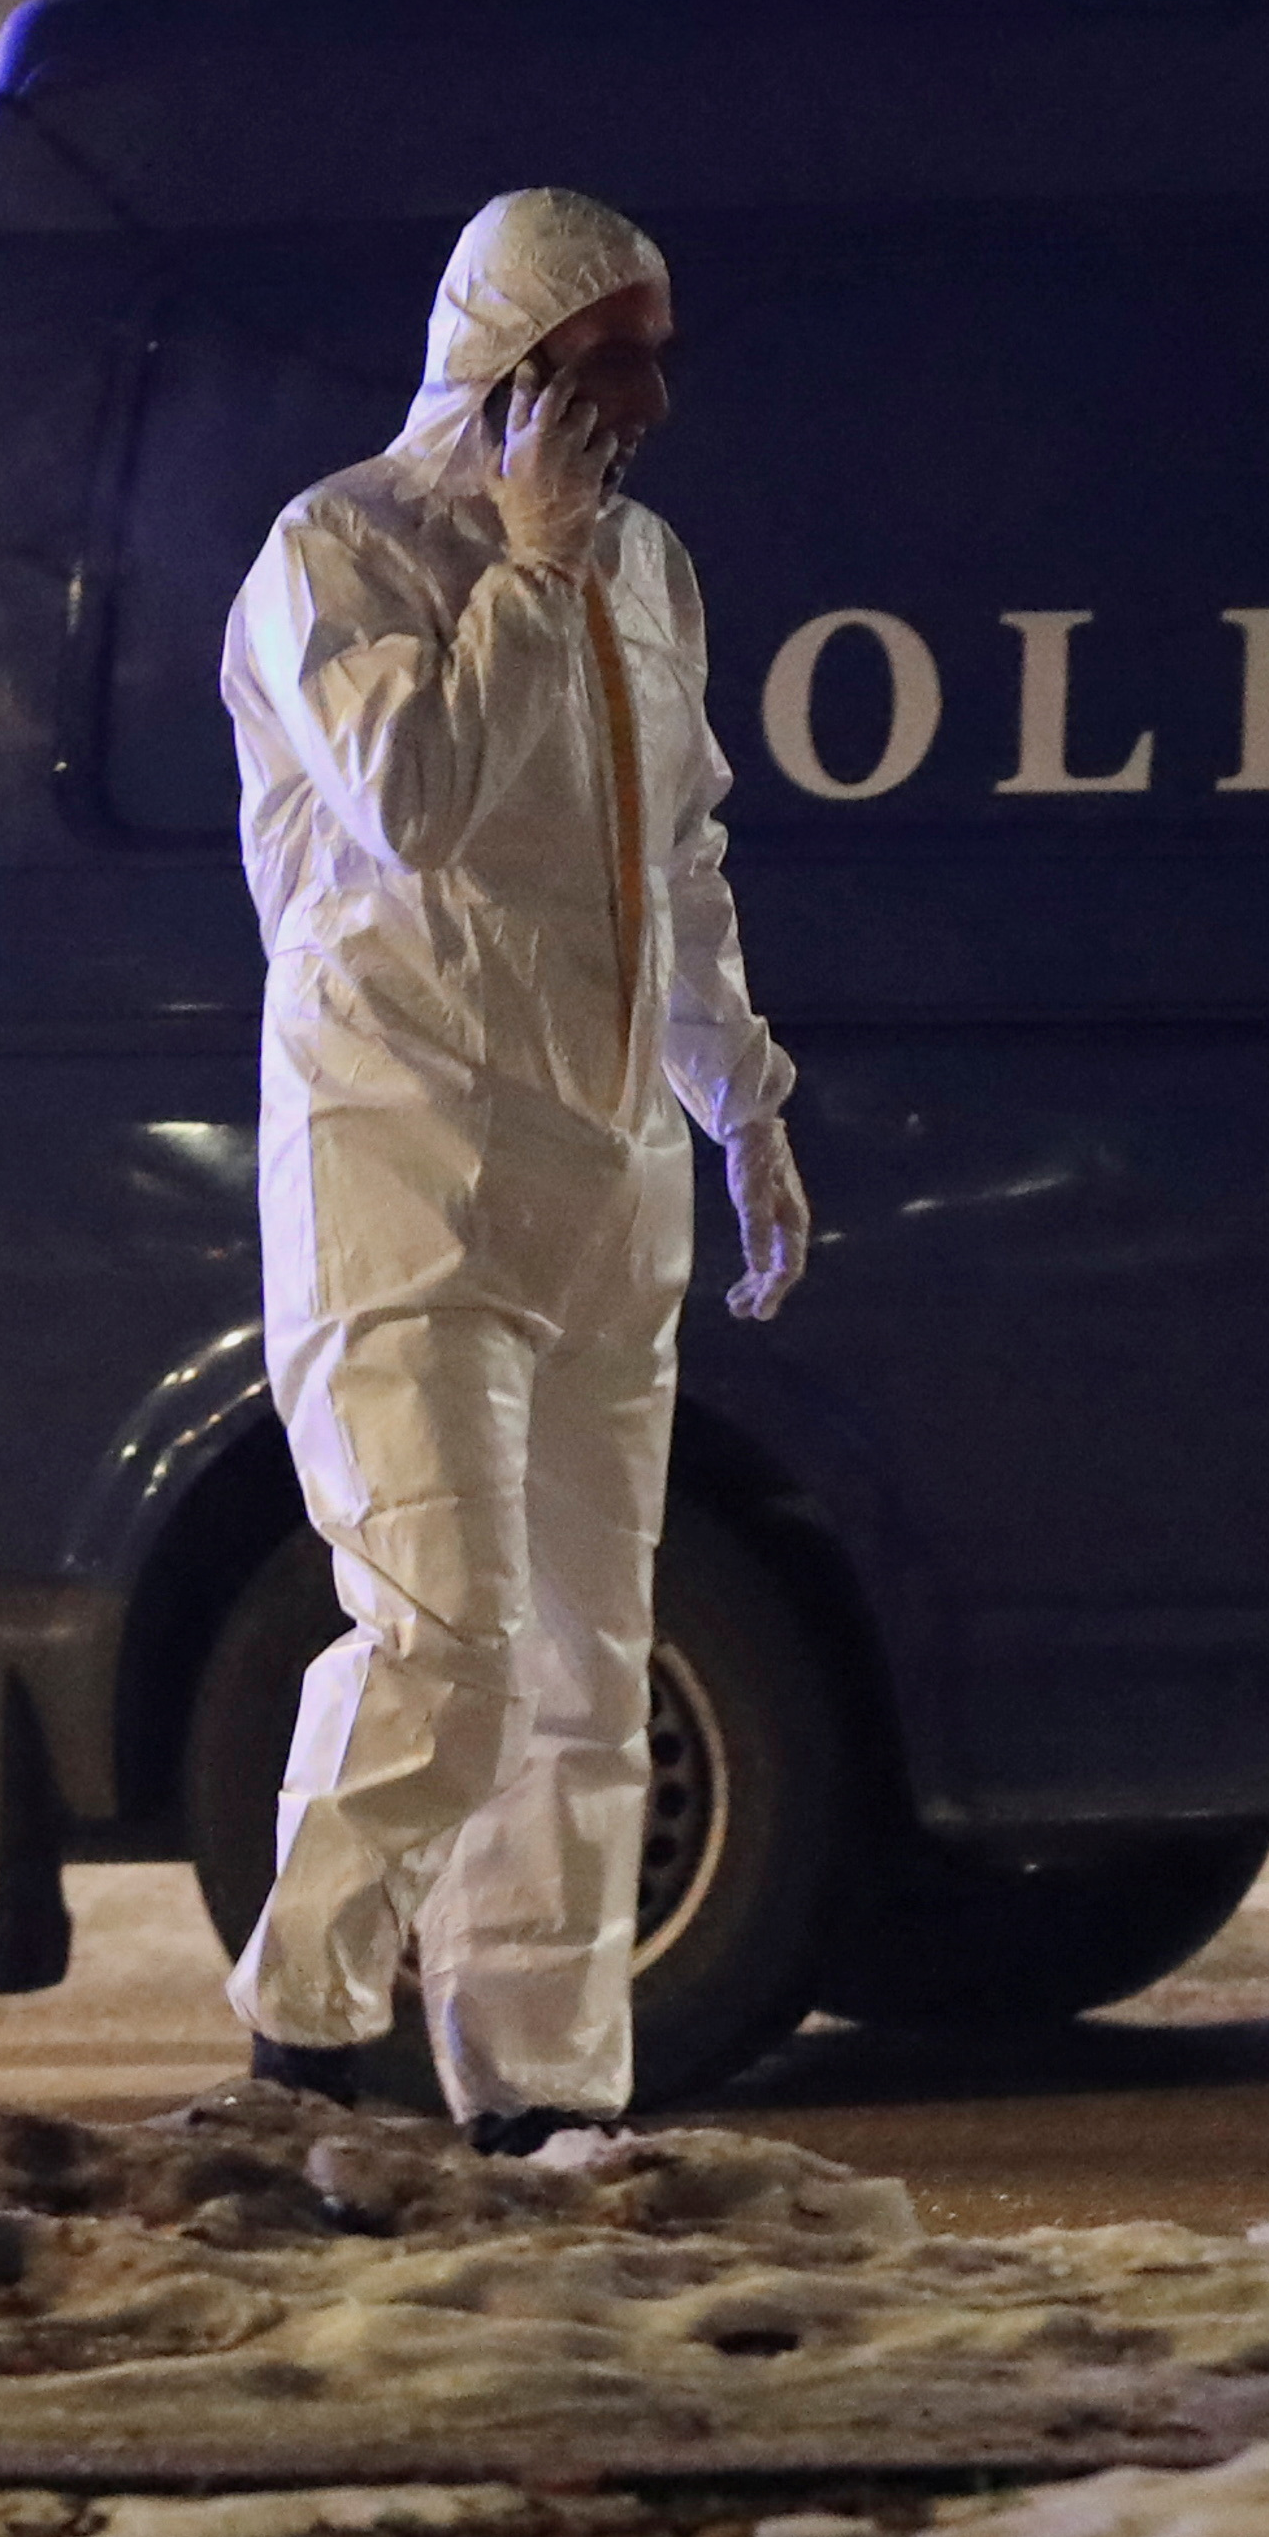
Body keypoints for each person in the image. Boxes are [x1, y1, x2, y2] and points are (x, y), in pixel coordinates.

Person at [219, 186, 809, 2148]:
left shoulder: (650, 569)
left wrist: (744, 1102)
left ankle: (545, 2103)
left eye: (658, 349)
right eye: (612, 355)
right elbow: (413, 808)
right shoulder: (339, 553)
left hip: (603, 1165)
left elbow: (680, 851)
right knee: (445, 1631)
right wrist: (525, 577)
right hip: (406, 1153)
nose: (649, 396)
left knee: (585, 1670)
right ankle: (300, 2034)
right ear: (513, 365)